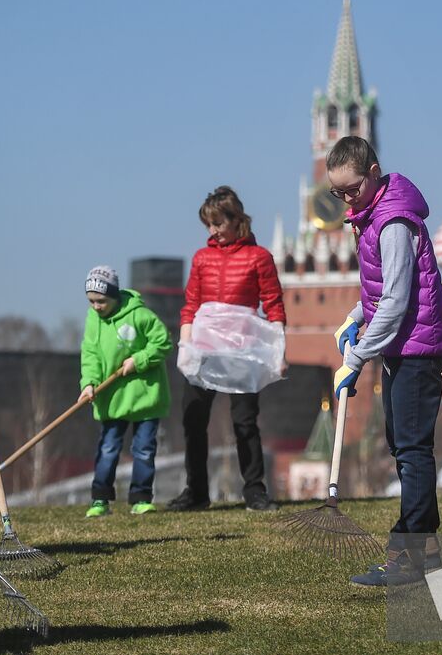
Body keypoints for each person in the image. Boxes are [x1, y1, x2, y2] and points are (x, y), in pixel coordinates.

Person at [326, 137, 442, 587]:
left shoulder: (393, 221)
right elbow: (386, 290)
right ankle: (430, 550)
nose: (346, 199)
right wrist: (355, 315)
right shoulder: (372, 215)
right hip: (403, 345)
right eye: (336, 193)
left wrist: (358, 357)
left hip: (418, 345)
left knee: (413, 450)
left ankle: (410, 557)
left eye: (352, 189)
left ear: (374, 173)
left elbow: (398, 298)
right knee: (403, 445)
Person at [169, 186, 286, 512]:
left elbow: (273, 305)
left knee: (245, 422)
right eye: (208, 224)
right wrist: (186, 345)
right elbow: (190, 304)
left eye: (218, 223)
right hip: (204, 349)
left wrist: (278, 352)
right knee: (193, 420)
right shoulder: (201, 258)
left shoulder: (259, 258)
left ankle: (255, 491)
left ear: (237, 220)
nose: (213, 231)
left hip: (241, 350)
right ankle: (196, 492)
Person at [78, 265, 172, 517]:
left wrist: (139, 360)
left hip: (145, 397)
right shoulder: (92, 319)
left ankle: (141, 498)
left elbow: (163, 342)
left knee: (143, 448)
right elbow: (90, 354)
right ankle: (100, 500)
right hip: (112, 398)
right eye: (91, 301)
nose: (96, 306)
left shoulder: (139, 314)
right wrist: (88, 383)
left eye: (101, 301)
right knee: (108, 448)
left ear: (114, 296)